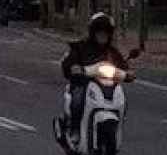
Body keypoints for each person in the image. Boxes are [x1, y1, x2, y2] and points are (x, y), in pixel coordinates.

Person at [56, 13, 131, 143]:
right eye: (99, 32)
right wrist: (74, 68)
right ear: (93, 33)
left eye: (105, 33)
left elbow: (123, 66)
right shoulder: (80, 47)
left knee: (122, 99)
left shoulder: (112, 52)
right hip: (84, 84)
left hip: (107, 86)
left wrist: (128, 73)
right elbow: (67, 63)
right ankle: (75, 130)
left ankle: (116, 127)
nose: (102, 36)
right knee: (78, 99)